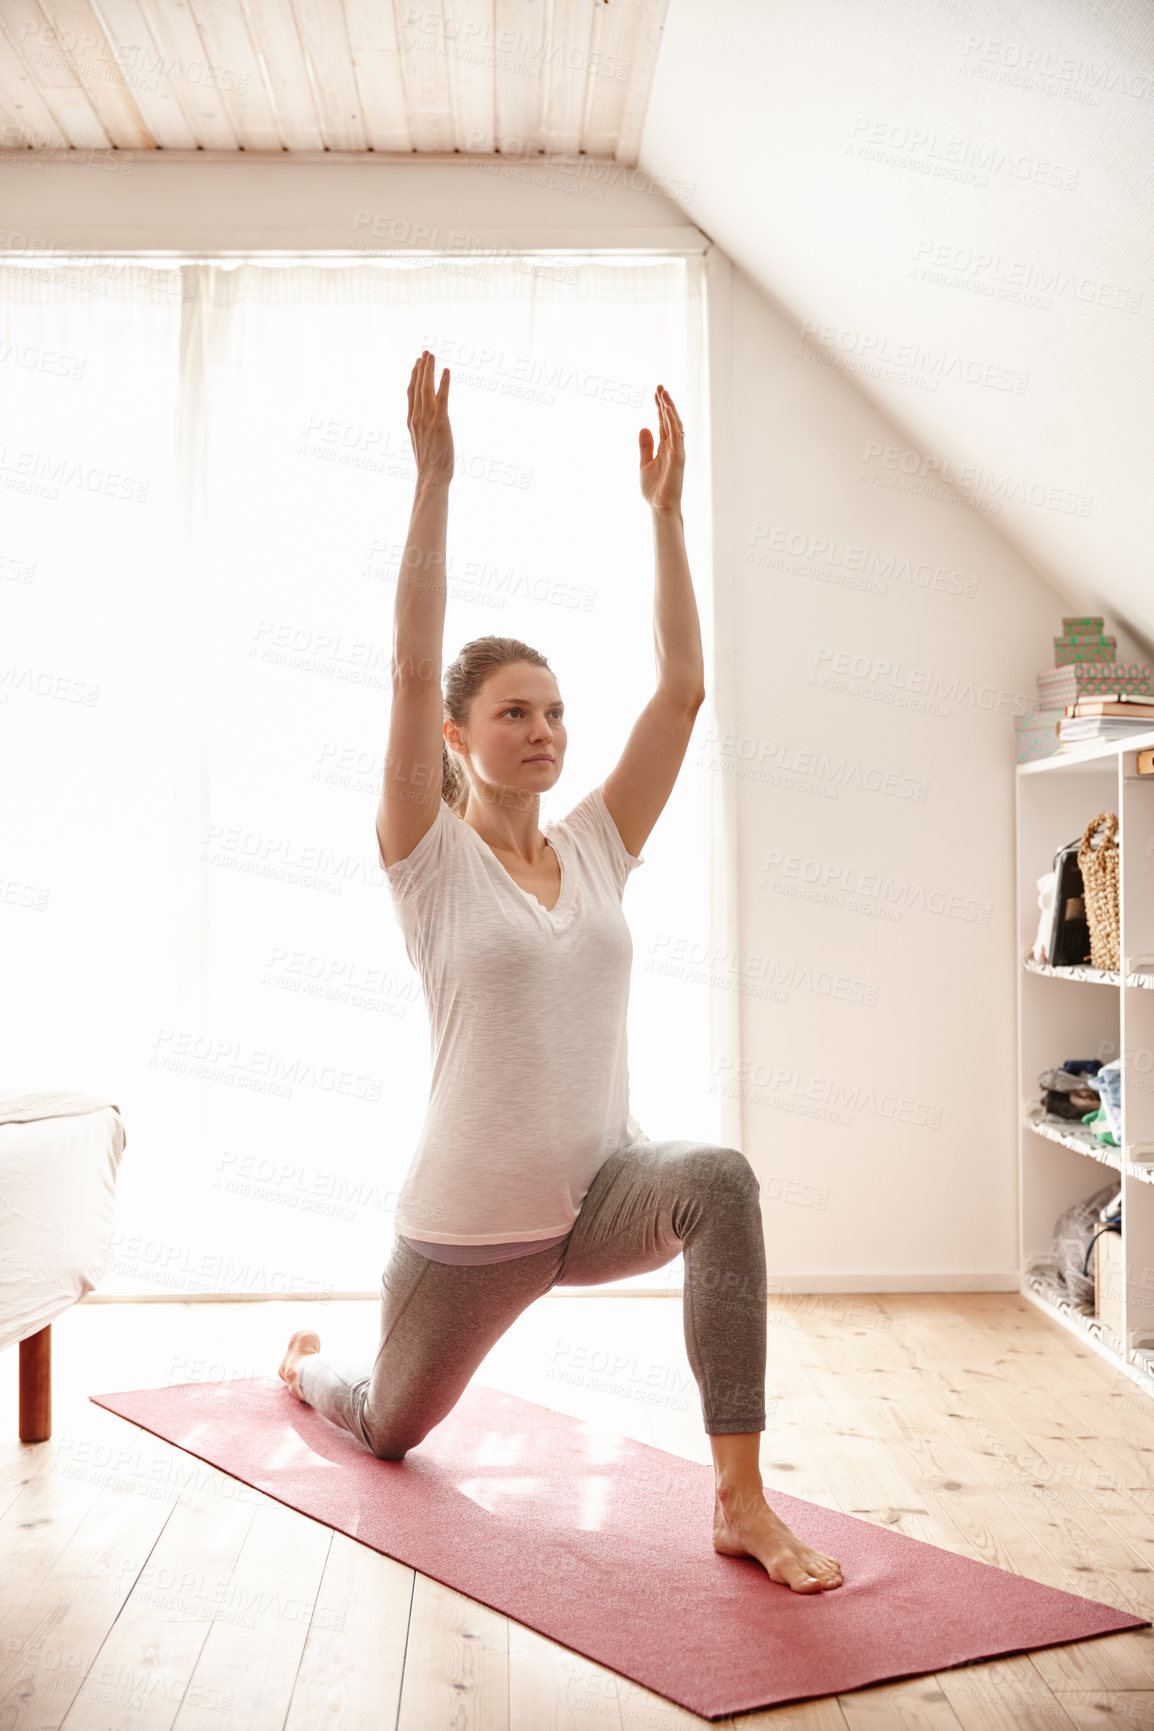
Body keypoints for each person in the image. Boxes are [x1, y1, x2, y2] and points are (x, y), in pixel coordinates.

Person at [278, 350, 843, 1594]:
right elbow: (402, 661)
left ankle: (739, 1499)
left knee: (721, 1181)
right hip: (467, 1234)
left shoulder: (593, 845)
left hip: (594, 1201)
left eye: (553, 714)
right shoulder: (425, 859)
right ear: (454, 736)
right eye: (512, 715)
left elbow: (684, 690)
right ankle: (305, 1368)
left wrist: (665, 519)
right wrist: (433, 480)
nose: (543, 734)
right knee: (384, 1425)